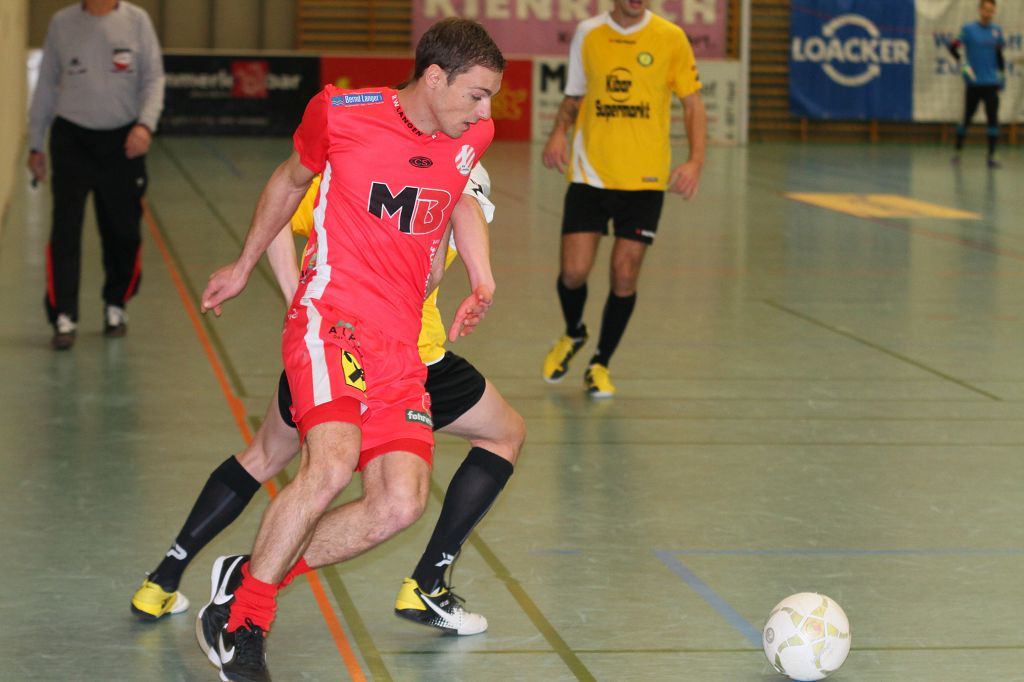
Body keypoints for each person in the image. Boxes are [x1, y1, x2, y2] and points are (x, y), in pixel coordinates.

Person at [193, 18, 504, 682]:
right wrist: (244, 265)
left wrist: (482, 276)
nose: (486, 112)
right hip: (331, 316)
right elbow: (287, 182)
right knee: (330, 465)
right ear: (435, 78)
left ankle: (251, 575)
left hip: (401, 341)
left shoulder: (470, 135)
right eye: (476, 94)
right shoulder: (342, 113)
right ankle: (245, 624)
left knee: (400, 504)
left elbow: (458, 198)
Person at [130, 164, 524, 641]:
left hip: (324, 344)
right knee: (503, 435)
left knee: (263, 456)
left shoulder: (366, 173)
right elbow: (450, 235)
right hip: (410, 363)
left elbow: (279, 211)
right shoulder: (451, 183)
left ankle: (162, 580)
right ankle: (425, 581)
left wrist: (296, 297)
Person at [541, 0, 705, 398]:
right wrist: (558, 132)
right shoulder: (588, 33)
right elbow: (574, 95)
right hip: (590, 173)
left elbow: (693, 103)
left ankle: (600, 362)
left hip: (646, 179)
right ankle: (574, 332)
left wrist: (695, 161)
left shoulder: (671, 37)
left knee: (625, 274)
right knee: (573, 273)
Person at [27, 0, 164, 349]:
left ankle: (116, 304)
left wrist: (145, 126)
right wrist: (36, 144)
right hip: (72, 140)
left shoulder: (137, 21)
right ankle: (64, 314)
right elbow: (45, 86)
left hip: (123, 143)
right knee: (65, 231)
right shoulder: (62, 23)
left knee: (123, 231)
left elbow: (154, 79)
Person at [948, 0, 1006, 168]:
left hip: (991, 83)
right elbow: (953, 47)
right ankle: (957, 152)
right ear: (980, 10)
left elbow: (999, 56)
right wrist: (963, 64)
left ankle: (992, 156)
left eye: (991, 10)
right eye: (986, 10)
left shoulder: (997, 31)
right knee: (967, 118)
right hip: (973, 83)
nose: (988, 13)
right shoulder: (968, 29)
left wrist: (1002, 76)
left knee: (993, 119)